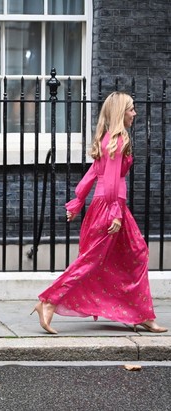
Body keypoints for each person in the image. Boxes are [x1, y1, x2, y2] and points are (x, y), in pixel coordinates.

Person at [32, 91, 167, 335]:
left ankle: (141, 314)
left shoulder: (106, 139)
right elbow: (113, 180)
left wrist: (78, 201)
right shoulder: (119, 139)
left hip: (104, 204)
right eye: (131, 109)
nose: (134, 113)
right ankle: (49, 301)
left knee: (133, 254)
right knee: (94, 260)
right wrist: (116, 212)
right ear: (120, 113)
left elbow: (93, 173)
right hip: (112, 205)